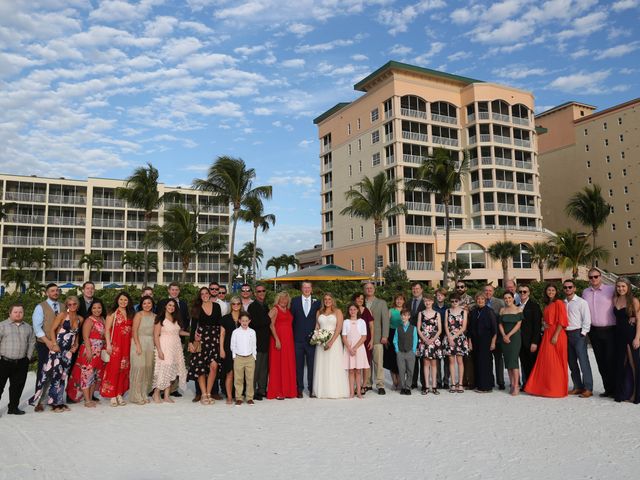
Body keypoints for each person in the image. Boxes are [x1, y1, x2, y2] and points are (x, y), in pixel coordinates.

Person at [30, 296, 81, 412]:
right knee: (54, 375)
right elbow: (52, 330)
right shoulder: (62, 315)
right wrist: (54, 344)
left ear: (77, 305)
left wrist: (76, 345)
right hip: (58, 348)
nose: (72, 306)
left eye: (74, 304)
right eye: (70, 304)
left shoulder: (79, 319)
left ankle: (59, 401)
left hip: (68, 352)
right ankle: (52, 403)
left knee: (63, 376)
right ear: (67, 305)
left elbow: (76, 334)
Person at [525, 284, 568, 398]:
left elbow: (562, 321)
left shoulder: (559, 303)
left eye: (553, 290)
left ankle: (556, 389)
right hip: (548, 334)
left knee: (555, 362)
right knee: (547, 362)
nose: (550, 292)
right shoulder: (547, 304)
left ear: (556, 291)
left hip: (556, 334)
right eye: (549, 290)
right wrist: (545, 324)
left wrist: (555, 335)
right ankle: (545, 387)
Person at [582, 268, 616, 397]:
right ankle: (608, 389)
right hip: (594, 332)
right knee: (600, 361)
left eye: (596, 276)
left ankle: (615, 389)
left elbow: (624, 302)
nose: (593, 279)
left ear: (600, 277)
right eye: (591, 277)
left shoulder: (611, 290)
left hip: (610, 330)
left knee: (611, 360)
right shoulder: (585, 292)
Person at [66, 300, 107, 407]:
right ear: (91, 309)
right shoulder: (89, 320)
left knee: (95, 375)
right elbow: (85, 336)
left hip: (100, 350)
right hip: (90, 350)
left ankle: (90, 396)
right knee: (87, 374)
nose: (97, 310)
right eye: (94, 308)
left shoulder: (103, 319)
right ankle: (87, 400)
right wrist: (89, 350)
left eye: (99, 307)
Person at [187, 287, 222, 405]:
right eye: (202, 294)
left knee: (214, 366)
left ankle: (208, 392)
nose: (205, 295)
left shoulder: (216, 306)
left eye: (206, 293)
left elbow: (220, 324)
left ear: (209, 294)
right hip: (201, 339)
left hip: (214, 339)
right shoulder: (196, 308)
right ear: (200, 296)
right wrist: (191, 342)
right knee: (200, 367)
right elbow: (193, 327)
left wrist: (221, 340)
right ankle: (203, 394)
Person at [100, 292, 135, 407]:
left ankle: (119, 393)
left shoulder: (130, 313)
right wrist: (108, 345)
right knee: (113, 369)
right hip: (115, 346)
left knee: (124, 370)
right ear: (117, 300)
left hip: (127, 346)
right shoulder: (112, 313)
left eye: (125, 300)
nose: (123, 302)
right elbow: (107, 330)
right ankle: (112, 395)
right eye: (121, 299)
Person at [0, 304, 35, 415]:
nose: (18, 314)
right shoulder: (2, 326)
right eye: (15, 312)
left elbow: (32, 342)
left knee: (17, 386)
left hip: (21, 362)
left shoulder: (28, 327)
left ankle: (13, 408)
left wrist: (28, 357)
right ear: (10, 313)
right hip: (4, 361)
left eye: (20, 312)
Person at [157, 282, 191, 398]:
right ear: (168, 290)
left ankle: (173, 389)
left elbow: (186, 318)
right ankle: (160, 391)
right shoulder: (162, 303)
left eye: (177, 290)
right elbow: (158, 323)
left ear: (179, 291)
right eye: (172, 289)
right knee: (165, 365)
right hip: (165, 340)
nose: (174, 292)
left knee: (176, 364)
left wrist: (187, 332)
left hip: (177, 338)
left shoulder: (183, 303)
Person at [312, 293, 349, 399]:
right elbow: (317, 326)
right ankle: (322, 390)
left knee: (333, 364)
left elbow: (339, 328)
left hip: (334, 340)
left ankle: (334, 390)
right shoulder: (319, 312)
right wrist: (317, 338)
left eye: (329, 299)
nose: (327, 301)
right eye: (325, 299)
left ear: (332, 300)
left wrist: (331, 342)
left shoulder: (338, 311)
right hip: (321, 341)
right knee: (322, 364)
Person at [152, 299, 189, 403]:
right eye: (169, 305)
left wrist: (190, 335)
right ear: (165, 306)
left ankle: (167, 396)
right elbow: (155, 335)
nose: (171, 307)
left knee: (172, 370)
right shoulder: (160, 319)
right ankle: (156, 392)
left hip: (176, 346)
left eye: (173, 306)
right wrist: (159, 350)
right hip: (164, 345)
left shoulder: (175, 318)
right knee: (165, 369)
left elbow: (178, 332)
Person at [31, 282, 61, 411]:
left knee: (57, 372)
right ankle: (39, 401)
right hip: (44, 344)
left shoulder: (63, 306)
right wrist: (48, 342)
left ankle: (54, 400)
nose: (55, 293)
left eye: (57, 290)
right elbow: (37, 327)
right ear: (47, 293)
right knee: (43, 372)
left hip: (59, 345)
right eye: (52, 291)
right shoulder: (40, 307)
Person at [563, 279, 594, 398]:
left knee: (583, 361)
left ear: (574, 288)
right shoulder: (563, 302)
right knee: (572, 362)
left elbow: (587, 319)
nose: (568, 289)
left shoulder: (581, 302)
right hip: (566, 334)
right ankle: (577, 386)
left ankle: (588, 388)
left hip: (578, 334)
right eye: (565, 287)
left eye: (570, 287)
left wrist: (584, 333)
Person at [290, 281, 321, 398]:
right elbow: (291, 319)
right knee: (298, 365)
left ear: (311, 289)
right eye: (304, 287)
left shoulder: (317, 302)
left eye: (309, 287)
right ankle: (299, 389)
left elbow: (319, 318)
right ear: (301, 289)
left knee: (312, 365)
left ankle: (311, 389)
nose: (307, 289)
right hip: (297, 339)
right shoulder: (295, 301)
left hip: (311, 340)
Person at [613, 277, 640, 403]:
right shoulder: (615, 299)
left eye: (623, 286)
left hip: (630, 335)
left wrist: (637, 338)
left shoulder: (634, 301)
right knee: (620, 365)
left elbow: (639, 320)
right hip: (618, 336)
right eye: (618, 286)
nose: (621, 288)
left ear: (628, 287)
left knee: (633, 364)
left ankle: (636, 394)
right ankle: (621, 393)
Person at [267, 292, 297, 400]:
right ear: (278, 299)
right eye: (282, 299)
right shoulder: (275, 309)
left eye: (286, 299)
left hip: (288, 341)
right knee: (278, 365)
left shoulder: (287, 310)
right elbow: (270, 324)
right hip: (278, 340)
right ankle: (278, 391)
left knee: (287, 364)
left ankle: (288, 390)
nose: (284, 301)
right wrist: (277, 339)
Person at [129, 295, 156, 405]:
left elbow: (155, 334)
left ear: (152, 304)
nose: (147, 305)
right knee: (139, 368)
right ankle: (136, 395)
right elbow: (134, 331)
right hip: (138, 342)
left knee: (148, 369)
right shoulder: (138, 315)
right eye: (144, 303)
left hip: (150, 344)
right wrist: (138, 345)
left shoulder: (155, 316)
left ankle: (144, 393)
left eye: (149, 303)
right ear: (141, 305)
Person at [364, 282, 389, 395]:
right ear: (364, 290)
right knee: (366, 362)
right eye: (367, 288)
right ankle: (368, 383)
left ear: (374, 289)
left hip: (378, 337)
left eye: (371, 288)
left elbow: (385, 320)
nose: (369, 289)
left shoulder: (381, 303)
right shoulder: (361, 302)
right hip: (363, 338)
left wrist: (385, 335)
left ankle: (380, 385)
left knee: (378, 362)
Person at [468, 293, 497, 393]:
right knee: (477, 362)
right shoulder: (474, 311)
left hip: (486, 341)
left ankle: (486, 386)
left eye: (482, 299)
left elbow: (494, 329)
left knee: (485, 363)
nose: (480, 301)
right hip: (475, 341)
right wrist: (470, 341)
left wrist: (493, 343)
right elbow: (470, 328)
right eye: (478, 299)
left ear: (485, 300)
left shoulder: (490, 311)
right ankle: (478, 384)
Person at [247, 284, 270, 400]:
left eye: (263, 291)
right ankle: (253, 390)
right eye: (259, 291)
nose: (261, 293)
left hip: (266, 340)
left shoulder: (265, 306)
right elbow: (254, 323)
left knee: (264, 367)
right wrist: (268, 319)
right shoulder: (252, 307)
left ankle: (262, 389)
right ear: (255, 294)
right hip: (256, 341)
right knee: (255, 368)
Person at [416, 294, 442, 395]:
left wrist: (432, 340)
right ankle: (426, 386)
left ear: (432, 302)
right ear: (424, 302)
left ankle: (434, 386)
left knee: (434, 364)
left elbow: (439, 329)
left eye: (429, 301)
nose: (427, 303)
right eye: (425, 301)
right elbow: (418, 328)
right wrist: (425, 339)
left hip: (434, 341)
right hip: (424, 341)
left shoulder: (437, 314)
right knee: (425, 364)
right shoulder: (421, 314)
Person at [342, 303, 369, 399]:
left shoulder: (362, 322)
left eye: (354, 309)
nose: (352, 311)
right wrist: (349, 348)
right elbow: (344, 336)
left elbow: (364, 337)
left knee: (358, 371)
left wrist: (355, 348)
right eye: (350, 310)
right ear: (348, 311)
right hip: (349, 348)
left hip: (359, 348)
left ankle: (358, 392)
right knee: (351, 371)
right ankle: (351, 392)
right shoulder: (346, 322)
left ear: (358, 310)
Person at [498, 292, 523, 396]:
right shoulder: (502, 310)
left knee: (514, 362)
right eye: (505, 298)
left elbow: (518, 325)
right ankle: (512, 384)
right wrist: (504, 335)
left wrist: (509, 335)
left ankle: (517, 385)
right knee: (508, 362)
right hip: (504, 339)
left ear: (513, 298)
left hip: (515, 338)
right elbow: (500, 324)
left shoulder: (518, 309)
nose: (507, 300)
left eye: (509, 298)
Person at [444, 293, 469, 393]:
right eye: (452, 301)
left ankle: (460, 383)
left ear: (459, 301)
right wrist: (449, 337)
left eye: (456, 301)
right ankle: (453, 383)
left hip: (459, 338)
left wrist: (454, 336)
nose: (454, 303)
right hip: (449, 337)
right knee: (451, 362)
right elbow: (446, 325)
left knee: (460, 361)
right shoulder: (447, 311)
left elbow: (463, 327)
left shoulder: (464, 312)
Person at [518, 285, 542, 385]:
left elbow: (537, 326)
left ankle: (535, 385)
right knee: (524, 364)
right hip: (520, 341)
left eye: (525, 291)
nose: (522, 293)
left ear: (528, 293)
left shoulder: (534, 306)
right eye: (520, 292)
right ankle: (527, 384)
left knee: (533, 364)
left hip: (531, 341)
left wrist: (534, 342)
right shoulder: (516, 305)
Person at [231, 312, 256, 406]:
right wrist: (234, 356)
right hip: (239, 358)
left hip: (250, 358)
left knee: (250, 378)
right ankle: (239, 398)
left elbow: (254, 345)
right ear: (239, 321)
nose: (244, 322)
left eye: (246, 321)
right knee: (238, 379)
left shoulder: (252, 332)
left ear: (249, 321)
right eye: (243, 321)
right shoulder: (236, 332)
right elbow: (233, 345)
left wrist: (254, 356)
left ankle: (249, 397)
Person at [219, 296, 241, 404]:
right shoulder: (225, 318)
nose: (236, 306)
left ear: (241, 305)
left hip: (242, 350)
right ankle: (228, 396)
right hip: (228, 349)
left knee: (240, 374)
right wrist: (221, 349)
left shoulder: (244, 317)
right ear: (231, 305)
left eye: (238, 303)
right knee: (230, 373)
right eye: (233, 304)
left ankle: (238, 396)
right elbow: (222, 335)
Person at [484, 284, 506, 390]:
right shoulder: (480, 301)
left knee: (498, 360)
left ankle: (501, 381)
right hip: (485, 337)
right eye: (486, 290)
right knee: (487, 361)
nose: (488, 292)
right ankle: (490, 381)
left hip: (497, 336)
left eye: (490, 290)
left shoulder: (500, 302)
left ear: (493, 292)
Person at [352, 292, 374, 393]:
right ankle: (356, 385)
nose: (360, 300)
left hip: (365, 340)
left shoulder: (367, 310)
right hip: (354, 341)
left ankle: (364, 385)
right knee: (356, 363)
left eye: (362, 299)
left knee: (365, 363)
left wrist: (372, 340)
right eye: (358, 298)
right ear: (355, 299)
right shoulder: (352, 310)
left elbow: (371, 326)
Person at [394, 308, 418, 395]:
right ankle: (403, 387)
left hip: (410, 352)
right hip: (400, 353)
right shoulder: (398, 328)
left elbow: (415, 340)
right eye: (403, 315)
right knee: (401, 370)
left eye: (406, 315)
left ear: (409, 316)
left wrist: (413, 350)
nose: (404, 317)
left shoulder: (413, 328)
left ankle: (408, 387)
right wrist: (397, 350)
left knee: (410, 370)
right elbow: (395, 340)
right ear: (401, 316)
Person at [456, 281, 475, 389]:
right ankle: (462, 381)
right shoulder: (454, 298)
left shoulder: (470, 299)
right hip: (457, 333)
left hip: (467, 332)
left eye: (462, 287)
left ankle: (470, 381)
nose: (460, 288)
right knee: (460, 359)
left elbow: (471, 310)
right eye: (458, 287)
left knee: (468, 359)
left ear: (465, 288)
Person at [409, 282, 426, 390]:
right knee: (413, 360)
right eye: (413, 289)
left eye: (417, 288)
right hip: (411, 334)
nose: (415, 290)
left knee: (423, 360)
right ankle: (413, 382)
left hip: (424, 334)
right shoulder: (408, 302)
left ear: (421, 290)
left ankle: (424, 383)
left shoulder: (426, 302)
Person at [385, 293, 404, 390]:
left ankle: (400, 381)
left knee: (400, 359)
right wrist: (386, 337)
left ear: (404, 301)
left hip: (402, 335)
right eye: (397, 299)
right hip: (391, 334)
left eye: (401, 299)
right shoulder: (391, 310)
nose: (399, 301)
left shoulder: (405, 311)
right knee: (392, 358)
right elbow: (386, 324)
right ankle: (394, 381)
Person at [434, 288, 450, 389]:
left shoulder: (448, 308)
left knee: (447, 359)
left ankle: (446, 381)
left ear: (444, 297)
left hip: (446, 335)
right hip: (436, 335)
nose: (440, 296)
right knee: (437, 359)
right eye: (438, 295)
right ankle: (438, 380)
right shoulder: (433, 307)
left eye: (441, 295)